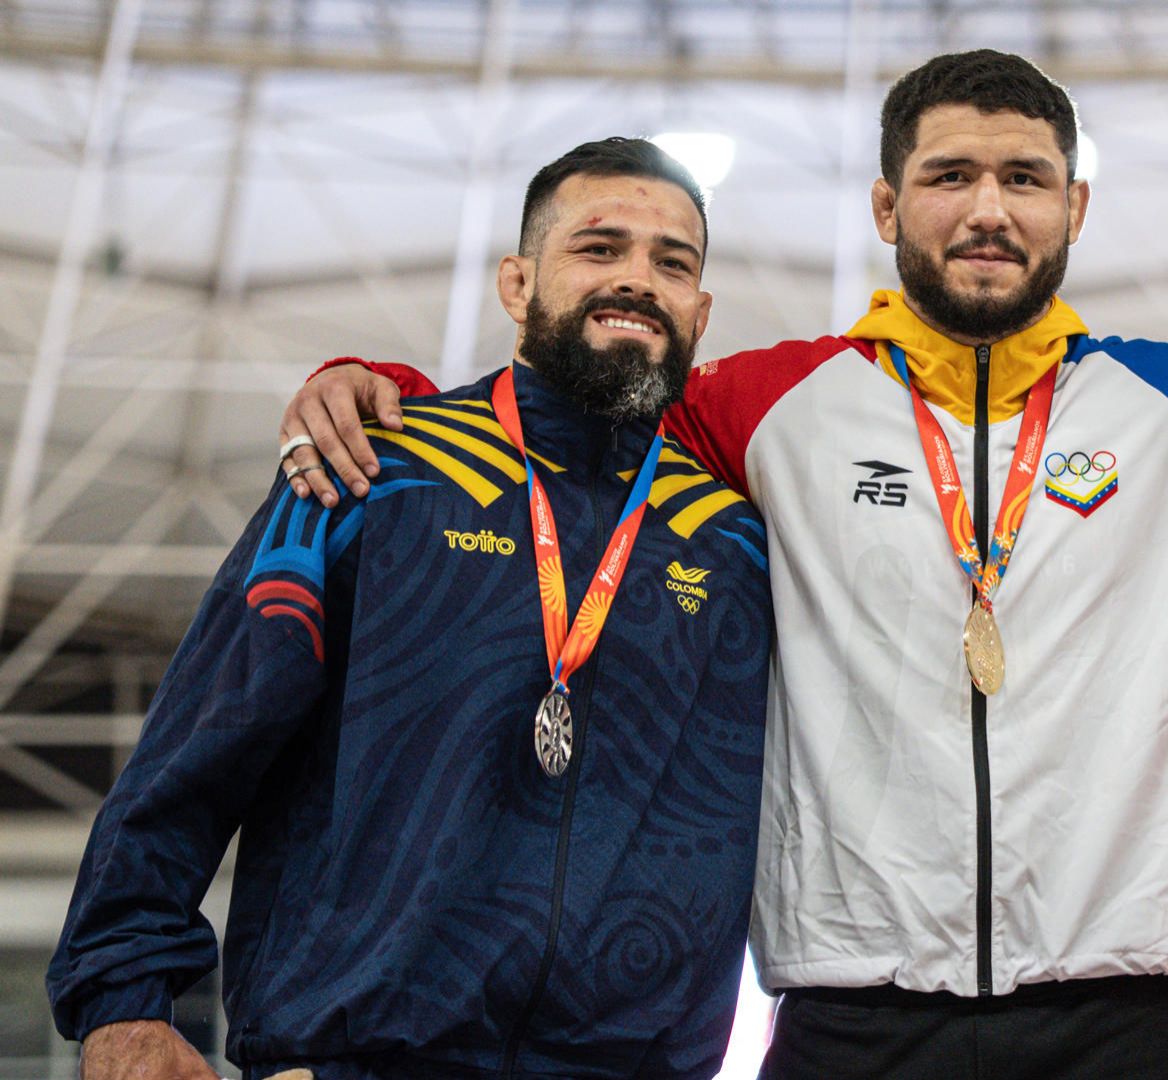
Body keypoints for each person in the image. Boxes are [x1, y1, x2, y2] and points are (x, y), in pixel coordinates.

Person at [273, 52, 1168, 1078]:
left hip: (1115, 1020)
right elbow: (585, 409)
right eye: (951, 175)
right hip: (851, 1015)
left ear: (1074, 211)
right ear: (888, 208)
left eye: (1026, 177)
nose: (989, 206)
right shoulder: (770, 403)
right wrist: (381, 378)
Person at [46, 138, 774, 1080]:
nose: (637, 279)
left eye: (671, 263)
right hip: (355, 1054)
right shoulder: (369, 471)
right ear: (518, 284)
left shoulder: (733, 543)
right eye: (599, 248)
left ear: (700, 311)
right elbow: (196, 748)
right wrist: (123, 1004)